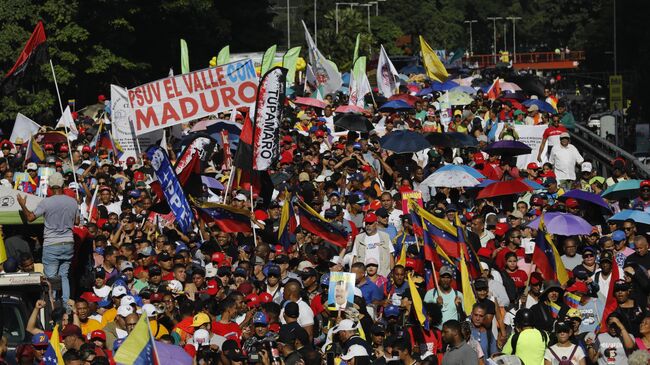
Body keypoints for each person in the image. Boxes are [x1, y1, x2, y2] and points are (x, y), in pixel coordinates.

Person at [17, 172, 79, 308]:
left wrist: (22, 204)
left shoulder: (46, 202)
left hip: (52, 243)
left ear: (50, 187)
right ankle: (66, 307)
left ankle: (53, 307)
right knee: (64, 275)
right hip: (68, 242)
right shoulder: (73, 202)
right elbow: (77, 221)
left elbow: (30, 218)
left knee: (51, 278)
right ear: (63, 185)